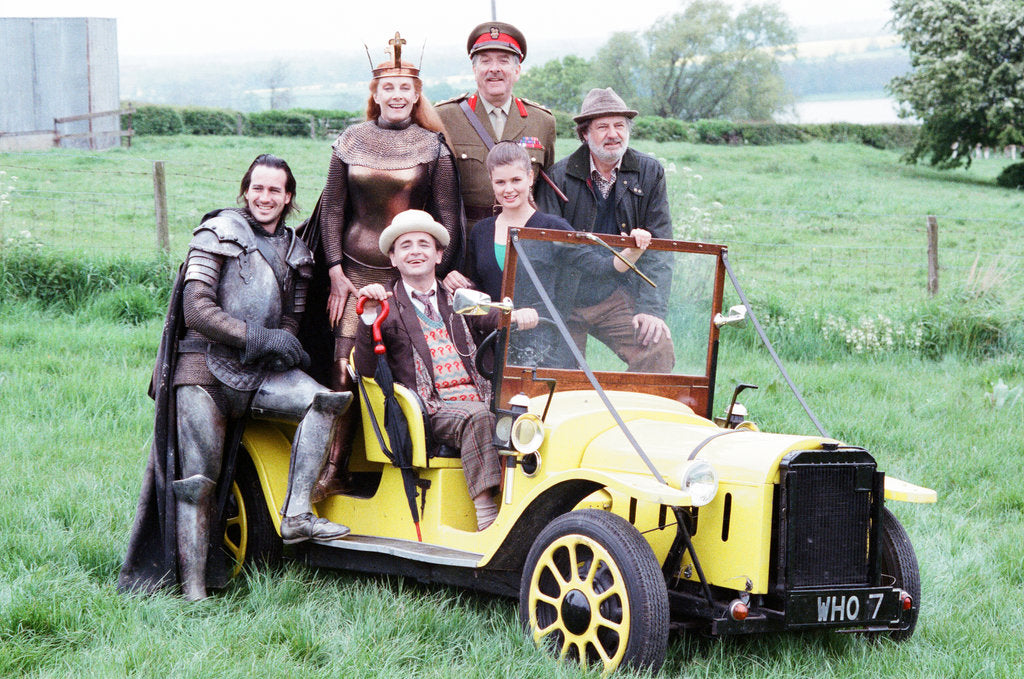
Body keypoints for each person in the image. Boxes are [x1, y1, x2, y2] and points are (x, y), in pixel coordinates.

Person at [119, 154, 351, 602]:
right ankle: (192, 593)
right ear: (246, 190)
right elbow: (197, 310)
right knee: (197, 482)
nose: (265, 198)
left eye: (275, 191)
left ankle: (297, 512)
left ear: (288, 198)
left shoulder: (296, 251)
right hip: (203, 369)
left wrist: (283, 341)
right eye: (257, 188)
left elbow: (290, 317)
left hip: (258, 372)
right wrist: (260, 338)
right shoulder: (218, 232)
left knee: (324, 402)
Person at [314, 32, 463, 500]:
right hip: (355, 272)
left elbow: (448, 215)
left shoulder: (434, 146)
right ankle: (333, 466)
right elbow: (334, 210)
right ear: (375, 95)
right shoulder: (348, 141)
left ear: (416, 95)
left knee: (406, 367)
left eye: (405, 89)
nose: (396, 96)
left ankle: (403, 463)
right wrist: (335, 269)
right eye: (387, 89)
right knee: (344, 366)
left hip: (409, 272)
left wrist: (425, 271)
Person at [354, 210, 537, 531]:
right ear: (393, 258)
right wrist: (368, 319)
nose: (415, 251)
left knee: (533, 414)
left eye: (424, 244)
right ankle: (486, 518)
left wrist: (516, 315)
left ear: (438, 255)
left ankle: (532, 513)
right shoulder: (385, 305)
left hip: (479, 396)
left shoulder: (457, 297)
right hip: (431, 408)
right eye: (405, 245)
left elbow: (490, 318)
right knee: (479, 417)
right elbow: (369, 368)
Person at [536, 88, 675, 373]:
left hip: (617, 296)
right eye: (602, 126)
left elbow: (660, 245)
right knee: (562, 376)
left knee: (657, 348)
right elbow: (550, 247)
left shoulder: (650, 172)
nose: (613, 134)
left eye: (619, 125)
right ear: (584, 134)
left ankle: (630, 416)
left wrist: (651, 309)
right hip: (566, 299)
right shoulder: (557, 177)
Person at [435, 21, 556, 234]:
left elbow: (546, 192)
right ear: (474, 70)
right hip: (468, 237)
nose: (494, 69)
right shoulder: (445, 117)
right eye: (485, 61)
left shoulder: (542, 121)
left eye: (503, 61)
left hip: (524, 236)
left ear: (517, 70)